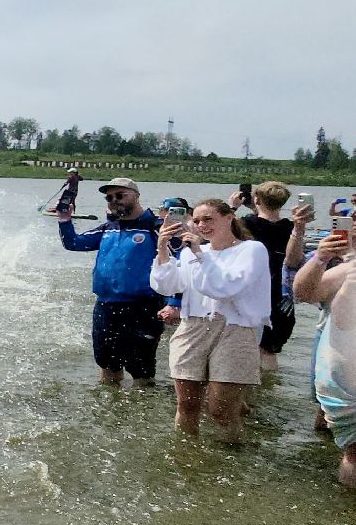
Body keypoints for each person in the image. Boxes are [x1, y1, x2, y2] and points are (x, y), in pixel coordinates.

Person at [150, 198, 270, 443]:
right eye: (196, 220)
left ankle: (233, 455)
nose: (202, 225)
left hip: (234, 329)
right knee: (187, 404)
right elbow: (168, 285)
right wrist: (162, 249)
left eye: (208, 219)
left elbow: (228, 287)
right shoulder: (191, 252)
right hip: (193, 326)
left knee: (220, 409)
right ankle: (185, 457)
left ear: (229, 218)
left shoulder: (252, 250)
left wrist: (198, 253)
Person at [58, 178, 176, 387]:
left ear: (136, 196)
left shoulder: (156, 227)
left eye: (120, 195)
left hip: (144, 308)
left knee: (141, 371)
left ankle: (141, 415)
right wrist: (65, 220)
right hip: (106, 306)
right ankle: (109, 414)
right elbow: (73, 243)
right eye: (109, 197)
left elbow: (182, 265)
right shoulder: (108, 228)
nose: (114, 200)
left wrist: (174, 302)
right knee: (107, 365)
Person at [294, 225, 355, 483]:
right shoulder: (349, 270)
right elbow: (303, 293)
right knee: (354, 451)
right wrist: (320, 258)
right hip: (347, 378)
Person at [231, 181, 296, 373]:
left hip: (255, 292)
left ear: (257, 199)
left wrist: (232, 207)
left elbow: (225, 231)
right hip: (282, 293)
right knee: (270, 350)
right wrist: (256, 205)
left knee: (248, 348)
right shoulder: (291, 227)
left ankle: (252, 393)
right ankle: (269, 387)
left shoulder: (247, 224)